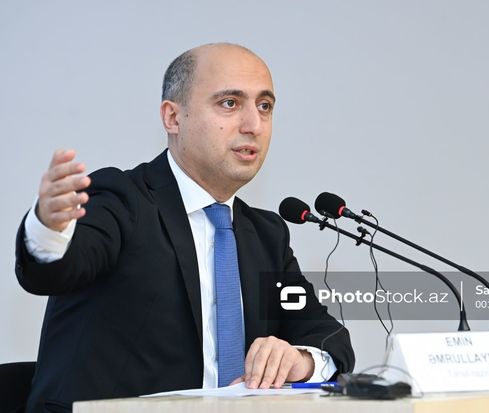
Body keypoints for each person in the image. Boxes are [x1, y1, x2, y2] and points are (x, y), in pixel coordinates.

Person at [15, 43, 354, 413]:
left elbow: (327, 336)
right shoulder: (122, 200)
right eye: (230, 103)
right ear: (173, 117)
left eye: (264, 106)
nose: (253, 126)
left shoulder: (266, 235)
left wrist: (302, 360)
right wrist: (50, 227)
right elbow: (57, 269)